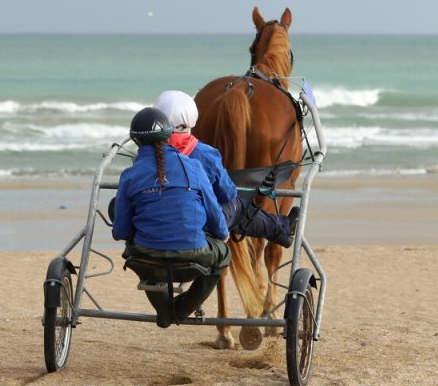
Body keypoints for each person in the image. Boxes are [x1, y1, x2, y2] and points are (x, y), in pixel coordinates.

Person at [112, 107, 231, 326]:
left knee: (142, 248)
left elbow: (120, 231)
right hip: (193, 256)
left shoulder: (129, 176)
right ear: (169, 136)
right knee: (223, 254)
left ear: (136, 142)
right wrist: (221, 235)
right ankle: (183, 309)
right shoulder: (193, 166)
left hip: (147, 260)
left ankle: (165, 311)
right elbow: (216, 219)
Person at [153, 89, 299, 248]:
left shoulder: (145, 155)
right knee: (236, 204)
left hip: (150, 236)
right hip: (194, 233)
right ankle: (279, 228)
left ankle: (280, 228)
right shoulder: (205, 154)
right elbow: (228, 192)